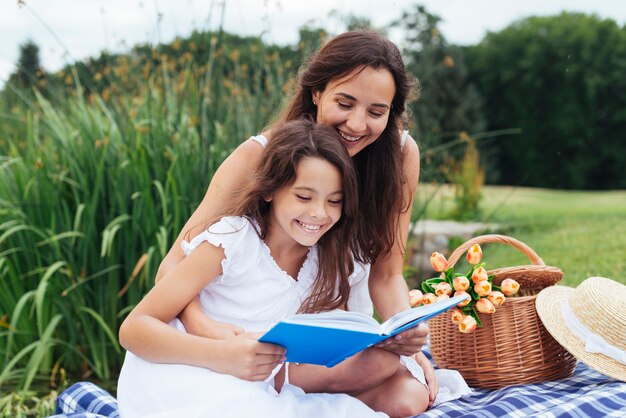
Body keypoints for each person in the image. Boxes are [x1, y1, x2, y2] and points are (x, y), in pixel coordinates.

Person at [156, 30, 439, 412]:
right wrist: (208, 332)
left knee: (409, 398)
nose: (357, 124)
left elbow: (387, 274)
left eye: (376, 112)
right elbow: (173, 264)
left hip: (332, 338)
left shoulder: (398, 155)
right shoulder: (260, 157)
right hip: (249, 332)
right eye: (345, 102)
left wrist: (406, 337)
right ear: (316, 92)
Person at [117, 119, 430, 417]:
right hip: (194, 364)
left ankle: (296, 390)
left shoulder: (328, 257)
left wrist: (398, 343)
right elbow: (133, 328)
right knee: (251, 409)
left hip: (273, 371)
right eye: (304, 196)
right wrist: (222, 356)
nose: (318, 214)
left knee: (405, 393)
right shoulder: (234, 240)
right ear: (270, 191)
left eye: (334, 201)